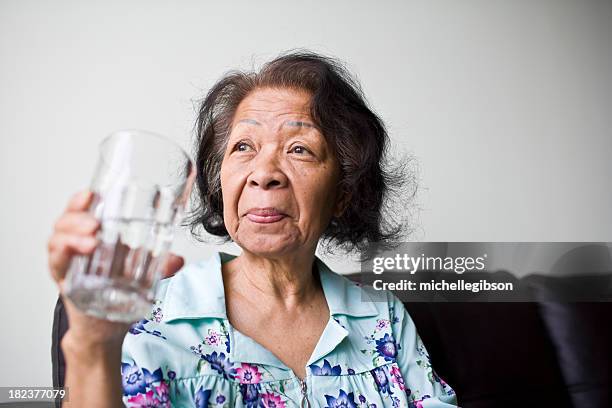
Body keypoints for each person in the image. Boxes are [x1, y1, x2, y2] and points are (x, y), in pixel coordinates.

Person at [48, 51, 458, 407]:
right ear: (221, 179)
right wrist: (91, 346)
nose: (264, 173)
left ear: (343, 193)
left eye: (299, 149)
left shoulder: (384, 317)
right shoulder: (141, 312)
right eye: (243, 147)